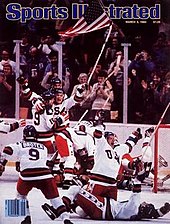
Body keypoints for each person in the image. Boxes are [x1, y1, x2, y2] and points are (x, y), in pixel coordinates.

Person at [0, 125, 73, 224]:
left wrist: (2, 163)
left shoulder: (19, 144)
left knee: (20, 196)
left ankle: (26, 218)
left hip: (27, 175)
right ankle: (66, 219)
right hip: (45, 175)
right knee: (55, 199)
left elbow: (7, 150)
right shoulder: (44, 147)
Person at [59, 175, 170, 221]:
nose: (144, 203)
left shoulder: (133, 208)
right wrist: (162, 211)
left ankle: (59, 209)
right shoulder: (135, 214)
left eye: (145, 205)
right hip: (103, 210)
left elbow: (136, 194)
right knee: (81, 211)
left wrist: (138, 179)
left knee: (75, 189)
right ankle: (72, 206)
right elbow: (153, 213)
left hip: (102, 207)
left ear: (142, 209)